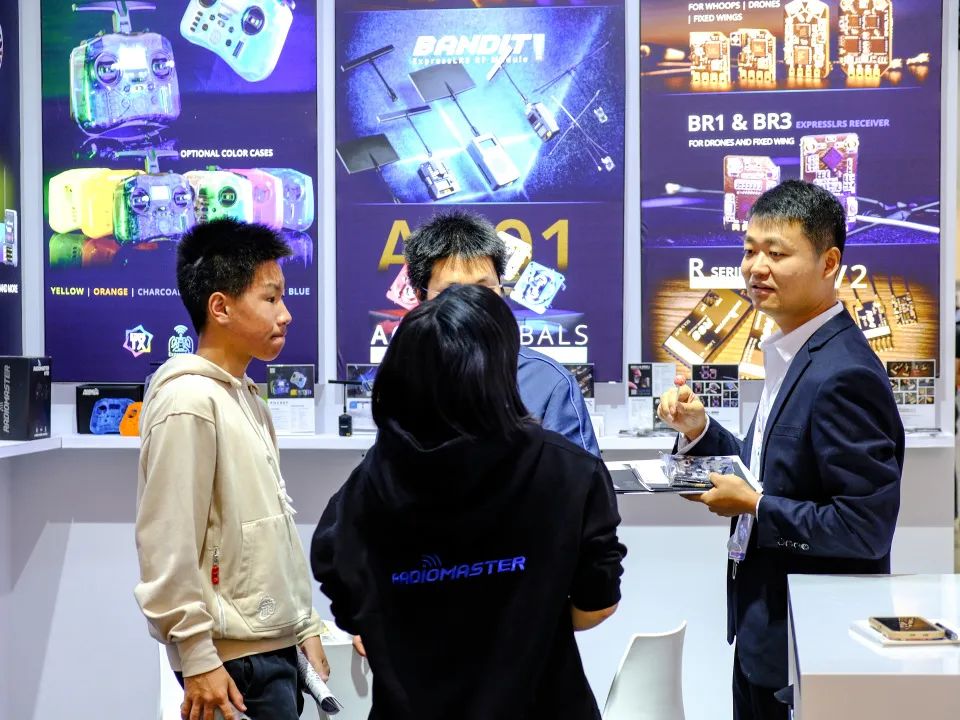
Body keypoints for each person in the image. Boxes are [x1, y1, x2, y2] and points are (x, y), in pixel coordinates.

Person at [311, 284, 625, 720]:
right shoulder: (569, 470)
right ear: (502, 367)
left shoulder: (369, 483)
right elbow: (597, 602)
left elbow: (345, 597)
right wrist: (529, 618)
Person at [657, 180, 903, 720]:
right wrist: (701, 431)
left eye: (777, 253)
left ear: (829, 262)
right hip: (765, 632)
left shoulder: (844, 373)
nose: (756, 268)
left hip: (811, 643)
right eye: (750, 250)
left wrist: (755, 506)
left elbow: (865, 528)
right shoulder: (794, 352)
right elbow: (768, 472)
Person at [134, 219, 329, 720]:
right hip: (231, 667)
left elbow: (272, 529)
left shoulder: (247, 397)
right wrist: (197, 655)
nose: (285, 314)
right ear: (220, 307)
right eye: (270, 298)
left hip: (270, 648)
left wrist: (303, 624)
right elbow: (167, 543)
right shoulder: (188, 401)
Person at [404, 210, 599, 456]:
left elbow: (581, 476)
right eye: (452, 291)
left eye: (484, 289)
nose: (472, 303)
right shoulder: (406, 379)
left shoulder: (550, 383)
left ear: (502, 292)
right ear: (421, 297)